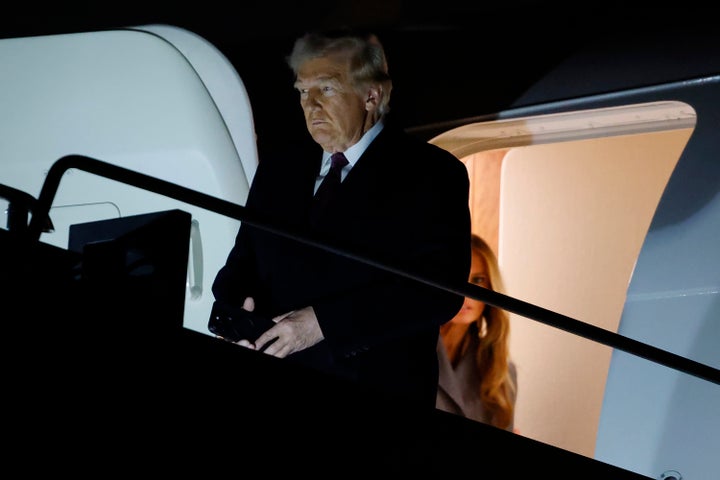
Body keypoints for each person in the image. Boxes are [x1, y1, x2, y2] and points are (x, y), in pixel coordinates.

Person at [211, 29, 472, 407]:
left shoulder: (431, 174)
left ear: (372, 95)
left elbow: (437, 292)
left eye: (327, 89)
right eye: (303, 91)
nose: (311, 106)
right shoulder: (279, 170)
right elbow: (242, 264)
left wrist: (320, 324)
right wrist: (235, 312)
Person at [436, 233, 518, 431]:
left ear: (490, 287)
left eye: (478, 280)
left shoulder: (501, 373)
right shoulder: (402, 353)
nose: (467, 292)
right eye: (458, 278)